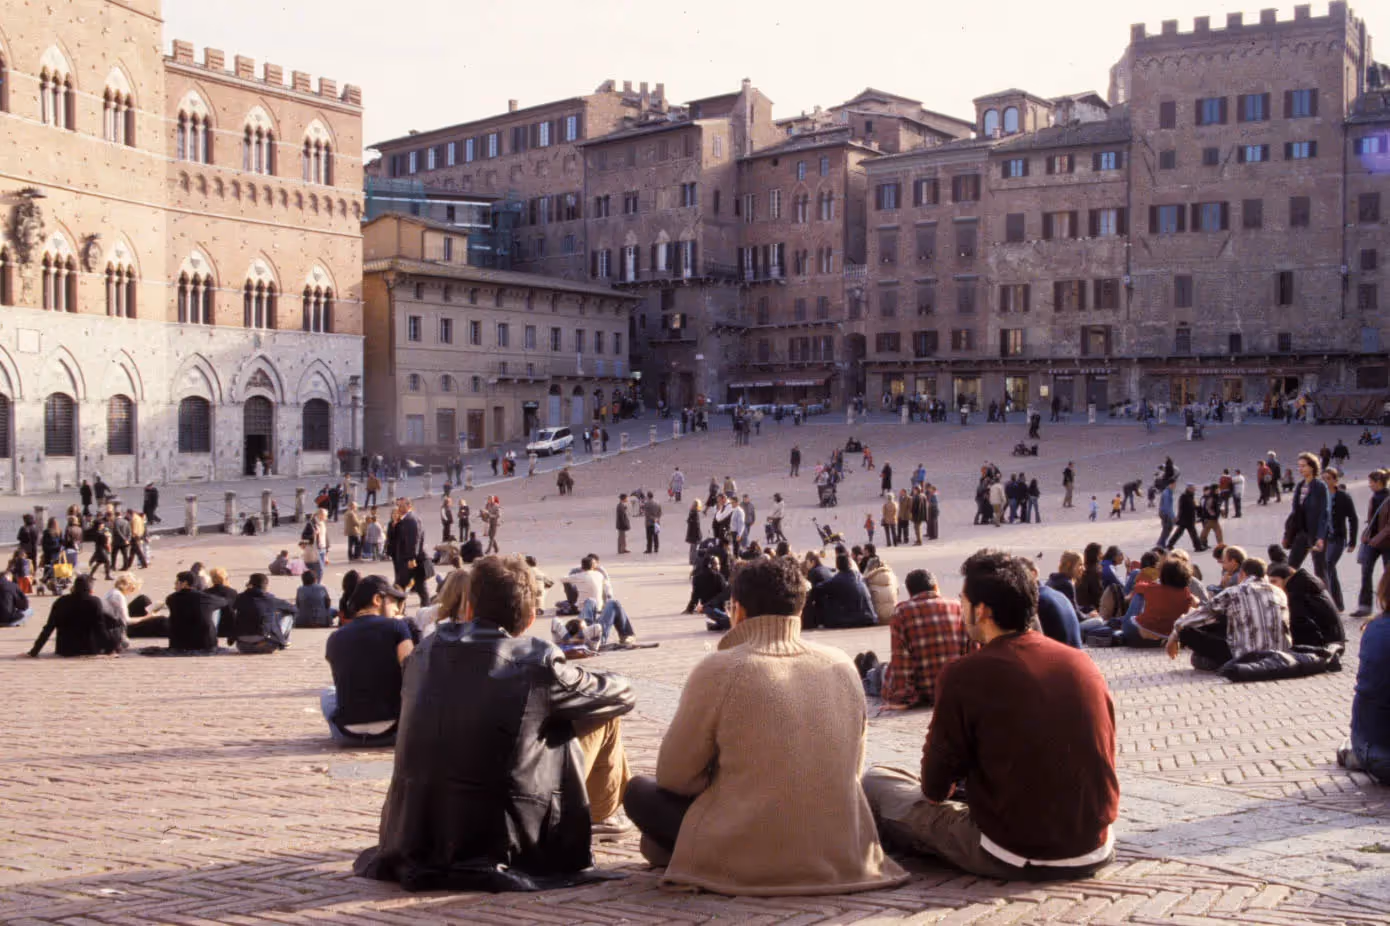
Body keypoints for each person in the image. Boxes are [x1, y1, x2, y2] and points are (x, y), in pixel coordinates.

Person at [624, 555, 907, 895]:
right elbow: (851, 767)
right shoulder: (842, 664)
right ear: (800, 611)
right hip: (840, 848)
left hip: (751, 851)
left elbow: (675, 777)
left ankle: (694, 855)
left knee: (638, 791)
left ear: (737, 610)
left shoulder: (719, 669)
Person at [355, 554, 637, 892]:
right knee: (599, 713)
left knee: (539, 712)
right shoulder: (538, 660)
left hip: (414, 835)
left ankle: (599, 813)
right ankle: (602, 814)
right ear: (531, 617)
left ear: (470, 608)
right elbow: (622, 694)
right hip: (506, 837)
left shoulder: (425, 650)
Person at [862, 549, 1118, 880]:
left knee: (878, 782)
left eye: (964, 601)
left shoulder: (965, 674)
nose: (961, 609)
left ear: (982, 611)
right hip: (1095, 844)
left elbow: (935, 788)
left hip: (1013, 851)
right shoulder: (1081, 663)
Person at [323, 576, 414, 747]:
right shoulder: (397, 627)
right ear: (377, 599)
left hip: (347, 734)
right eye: (393, 602)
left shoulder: (335, 637)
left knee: (328, 693)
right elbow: (412, 672)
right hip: (392, 730)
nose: (396, 610)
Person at [867, 569, 970, 708]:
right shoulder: (958, 607)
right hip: (957, 689)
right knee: (880, 669)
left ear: (910, 593)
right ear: (935, 587)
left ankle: (868, 668)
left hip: (924, 693)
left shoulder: (903, 611)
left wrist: (902, 698)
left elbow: (901, 662)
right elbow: (972, 650)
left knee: (876, 675)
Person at [1167, 558, 1290, 670]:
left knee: (1187, 631)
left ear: (1242, 574)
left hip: (1244, 657)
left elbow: (1199, 615)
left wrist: (1174, 636)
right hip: (1279, 655)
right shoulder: (1279, 593)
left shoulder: (1234, 592)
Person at [1339, 572, 1390, 784]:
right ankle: (1353, 751)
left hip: (1372, 744)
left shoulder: (1376, 626)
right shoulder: (1380, 629)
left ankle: (1353, 749)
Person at [29, 576, 121, 657]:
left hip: (64, 649)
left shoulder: (61, 601)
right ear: (90, 589)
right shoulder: (94, 602)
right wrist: (111, 648)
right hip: (88, 649)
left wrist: (34, 651)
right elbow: (100, 628)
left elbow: (49, 628)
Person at [1123, 557, 1197, 648]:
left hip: (1135, 636)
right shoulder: (1186, 594)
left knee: (1139, 594)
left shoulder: (1153, 588)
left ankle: (1121, 619)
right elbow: (1196, 603)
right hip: (1166, 638)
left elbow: (1137, 587)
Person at [1267, 563, 1345, 648]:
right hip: (1335, 640)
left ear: (1287, 578)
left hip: (1325, 647)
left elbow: (1297, 623)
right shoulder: (1308, 583)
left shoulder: (1297, 592)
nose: (1272, 586)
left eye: (1274, 581)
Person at [571, 554, 638, 646]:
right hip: (595, 637)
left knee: (591, 601)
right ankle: (627, 634)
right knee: (614, 603)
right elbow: (608, 589)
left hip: (587, 629)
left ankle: (627, 635)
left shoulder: (579, 573)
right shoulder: (599, 573)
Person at [802, 553, 877, 629]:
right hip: (870, 618)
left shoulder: (838, 579)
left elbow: (816, 589)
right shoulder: (859, 576)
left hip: (854, 620)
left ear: (837, 566)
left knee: (825, 597)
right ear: (850, 564)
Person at [1286, 452, 1329, 584]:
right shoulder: (1300, 486)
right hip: (1301, 533)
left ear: (1312, 467)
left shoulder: (1320, 486)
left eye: (1303, 466)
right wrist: (1287, 534)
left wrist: (1321, 537)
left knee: (1320, 571)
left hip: (1316, 534)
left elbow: (1324, 512)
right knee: (1290, 568)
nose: (1301, 469)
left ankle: (1325, 601)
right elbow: (1295, 512)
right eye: (1299, 466)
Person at [229, 573, 298, 654]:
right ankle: (284, 641)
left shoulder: (240, 598)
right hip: (266, 645)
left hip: (242, 646)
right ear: (266, 585)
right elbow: (294, 609)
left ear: (250, 584)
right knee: (288, 615)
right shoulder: (271, 599)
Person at [163, 570, 227, 652]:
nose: (174, 585)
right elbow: (224, 602)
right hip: (205, 644)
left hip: (178, 643)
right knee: (213, 610)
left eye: (177, 582)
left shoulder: (171, 598)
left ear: (185, 583)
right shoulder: (205, 598)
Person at [1325, 467, 1357, 611]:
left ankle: (1332, 603)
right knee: (1329, 569)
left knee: (1328, 565)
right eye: (1323, 479)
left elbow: (1353, 518)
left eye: (1328, 479)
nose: (1326, 482)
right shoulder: (1321, 495)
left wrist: (1352, 541)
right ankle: (1338, 604)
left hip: (1338, 538)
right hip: (1324, 539)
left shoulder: (1343, 497)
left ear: (1335, 480)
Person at [389, 499, 428, 608]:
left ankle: (397, 608)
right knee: (420, 586)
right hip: (409, 558)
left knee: (399, 585)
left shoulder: (411, 520)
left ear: (409, 506)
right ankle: (425, 607)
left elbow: (414, 539)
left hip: (409, 559)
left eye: (401, 506)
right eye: (398, 506)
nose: (399, 508)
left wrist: (411, 558)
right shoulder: (405, 519)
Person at [685, 554, 731, 631]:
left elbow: (695, 596)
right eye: (717, 564)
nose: (719, 566)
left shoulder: (697, 578)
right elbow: (725, 595)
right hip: (718, 608)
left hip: (706, 609)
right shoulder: (719, 577)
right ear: (711, 565)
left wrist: (689, 609)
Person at [685, 500, 703, 565]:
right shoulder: (695, 513)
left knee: (692, 548)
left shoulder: (691, 512)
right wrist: (699, 534)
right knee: (694, 548)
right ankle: (693, 560)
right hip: (695, 534)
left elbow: (689, 521)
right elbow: (697, 525)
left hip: (691, 533)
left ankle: (691, 560)